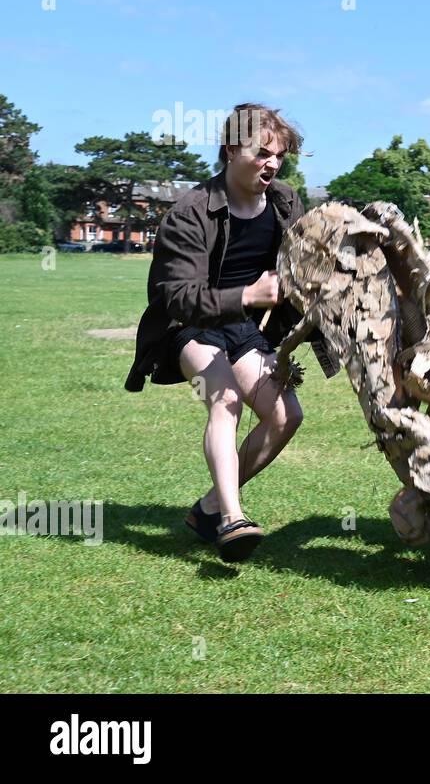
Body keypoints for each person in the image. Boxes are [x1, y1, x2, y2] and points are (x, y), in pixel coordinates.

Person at [126, 104, 326, 562]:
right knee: (226, 399)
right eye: (263, 153)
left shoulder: (285, 201)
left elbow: (303, 259)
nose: (272, 164)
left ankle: (209, 507)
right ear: (233, 149)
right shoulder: (190, 212)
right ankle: (232, 518)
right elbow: (177, 296)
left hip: (242, 327)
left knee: (285, 417)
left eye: (280, 157)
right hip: (188, 326)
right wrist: (246, 296)